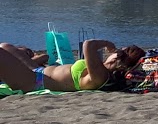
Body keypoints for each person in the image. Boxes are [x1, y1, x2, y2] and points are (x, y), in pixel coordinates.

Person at [0, 39, 143, 93]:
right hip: (38, 71)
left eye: (117, 51)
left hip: (33, 82)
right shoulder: (100, 67)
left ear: (118, 57)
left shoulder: (101, 75)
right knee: (5, 46)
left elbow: (89, 44)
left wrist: (107, 44)